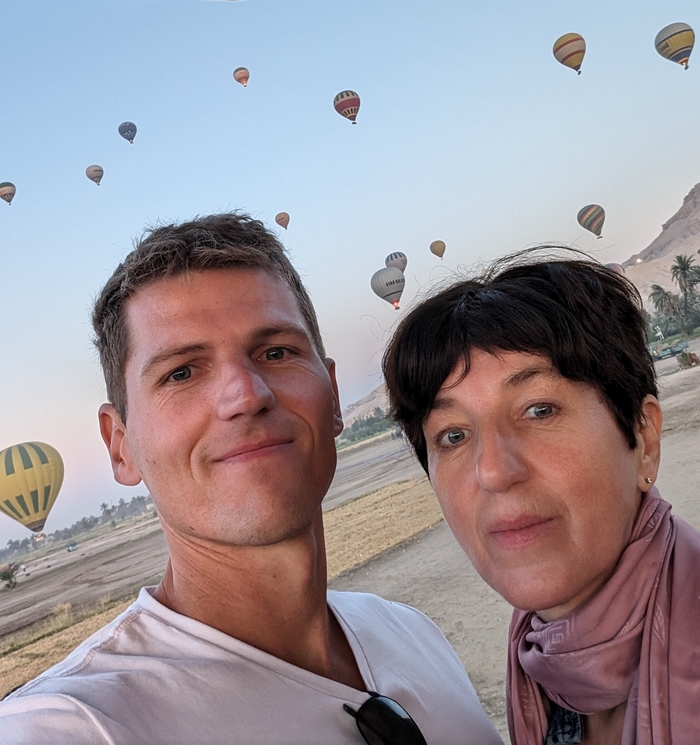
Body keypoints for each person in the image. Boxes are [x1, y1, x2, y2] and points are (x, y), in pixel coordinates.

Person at [0, 213, 501, 745]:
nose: (246, 395)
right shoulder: (74, 725)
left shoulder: (410, 632)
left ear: (333, 397)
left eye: (276, 352)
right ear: (121, 446)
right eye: (181, 372)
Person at [382, 251, 700, 745]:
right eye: (453, 436)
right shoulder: (543, 685)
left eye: (539, 410)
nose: (494, 471)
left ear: (644, 438)